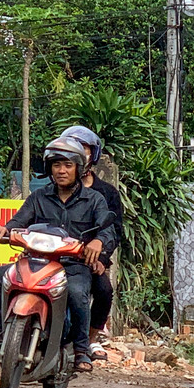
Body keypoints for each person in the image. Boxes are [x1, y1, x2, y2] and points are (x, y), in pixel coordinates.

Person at [0, 137, 112, 372]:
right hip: (36, 262)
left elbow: (108, 230)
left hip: (73, 266)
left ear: (79, 168)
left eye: (68, 165)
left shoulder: (94, 200)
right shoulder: (38, 197)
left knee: (76, 292)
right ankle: (5, 336)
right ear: (49, 169)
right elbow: (19, 221)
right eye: (56, 165)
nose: (62, 171)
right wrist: (6, 229)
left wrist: (98, 241)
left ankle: (82, 349)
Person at [61, 125, 125, 360]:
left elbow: (114, 229)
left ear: (93, 154)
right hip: (56, 255)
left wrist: (102, 257)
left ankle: (87, 341)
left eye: (84, 147)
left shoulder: (106, 194)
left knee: (104, 291)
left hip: (89, 260)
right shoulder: (54, 189)